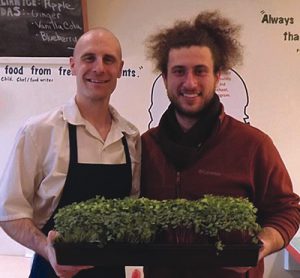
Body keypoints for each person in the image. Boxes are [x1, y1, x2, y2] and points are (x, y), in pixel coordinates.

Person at [141, 10, 300, 278]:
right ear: (165, 78)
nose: (189, 82)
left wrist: (260, 246)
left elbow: (286, 210)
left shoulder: (253, 145)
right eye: (179, 71)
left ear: (217, 76)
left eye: (200, 71)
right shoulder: (145, 146)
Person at [0, 28, 141, 277]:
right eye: (89, 58)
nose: (98, 68)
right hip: (52, 270)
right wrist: (46, 248)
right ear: (73, 65)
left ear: (120, 68)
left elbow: (132, 210)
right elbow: (9, 212)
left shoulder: (130, 137)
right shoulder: (38, 131)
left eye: (108, 59)